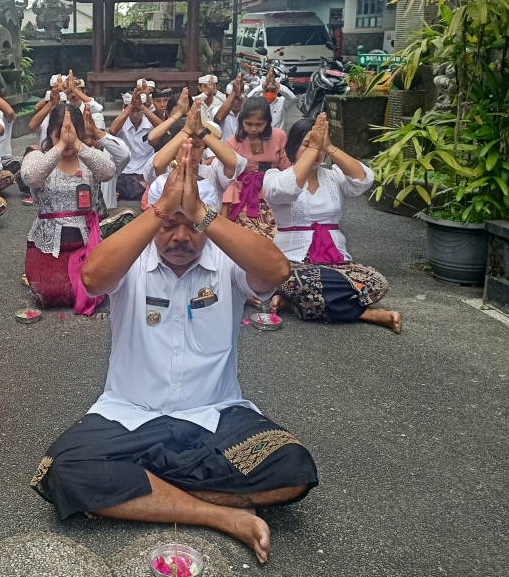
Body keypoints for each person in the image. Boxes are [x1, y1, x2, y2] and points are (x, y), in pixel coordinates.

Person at [30, 141, 317, 565]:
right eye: (169, 225)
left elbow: (277, 271)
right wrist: (161, 209)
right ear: (155, 218)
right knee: (62, 470)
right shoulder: (132, 260)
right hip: (129, 415)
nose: (181, 237)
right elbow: (90, 277)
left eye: (193, 226)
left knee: (292, 467)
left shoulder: (226, 261)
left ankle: (142, 492)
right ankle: (219, 515)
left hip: (215, 415)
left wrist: (200, 211)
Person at [262, 114, 402, 332]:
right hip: (291, 263)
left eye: (319, 147)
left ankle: (295, 303)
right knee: (302, 282)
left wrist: (329, 146)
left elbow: (365, 179)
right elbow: (286, 190)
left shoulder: (335, 176)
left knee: (376, 282)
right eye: (307, 145)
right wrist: (313, 149)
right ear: (293, 147)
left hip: (335, 263)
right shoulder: (274, 177)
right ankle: (366, 313)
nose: (315, 152)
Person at [21, 104, 117, 313]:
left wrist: (79, 146)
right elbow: (31, 177)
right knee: (48, 294)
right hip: (47, 245)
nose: (67, 143)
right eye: (60, 136)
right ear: (50, 135)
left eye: (73, 136)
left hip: (86, 244)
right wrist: (59, 147)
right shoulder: (36, 157)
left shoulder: (88, 159)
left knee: (97, 289)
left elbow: (109, 171)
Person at [222, 95, 291, 239]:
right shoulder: (232, 143)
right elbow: (228, 177)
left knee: (278, 234)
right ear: (241, 121)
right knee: (245, 237)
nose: (253, 129)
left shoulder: (279, 136)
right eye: (248, 124)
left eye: (259, 124)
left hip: (272, 191)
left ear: (268, 122)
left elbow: (285, 168)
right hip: (243, 194)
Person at [108, 82, 161, 201]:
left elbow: (163, 128)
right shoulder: (122, 122)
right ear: (125, 108)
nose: (135, 114)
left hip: (145, 172)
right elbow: (112, 131)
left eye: (138, 111)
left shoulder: (149, 123)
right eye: (132, 110)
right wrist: (131, 105)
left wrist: (142, 106)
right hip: (124, 172)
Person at [213, 73, 249, 142]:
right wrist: (234, 92)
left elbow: (255, 113)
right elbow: (219, 118)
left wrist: (242, 92)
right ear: (227, 97)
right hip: (224, 151)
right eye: (234, 98)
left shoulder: (247, 112)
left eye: (239, 98)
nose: (236, 102)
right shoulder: (217, 109)